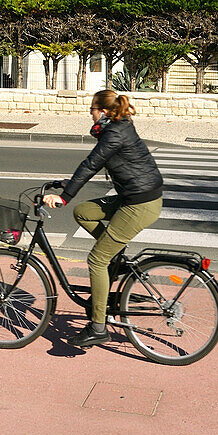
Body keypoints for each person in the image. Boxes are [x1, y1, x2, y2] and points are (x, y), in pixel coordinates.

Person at [42, 89, 163, 347]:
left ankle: (98, 327)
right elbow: (98, 167)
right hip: (135, 195)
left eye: (92, 110)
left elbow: (90, 165)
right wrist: (67, 186)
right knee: (83, 212)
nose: (90, 114)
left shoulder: (114, 133)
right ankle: (114, 253)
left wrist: (64, 196)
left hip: (140, 203)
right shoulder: (118, 127)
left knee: (97, 259)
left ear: (104, 112)